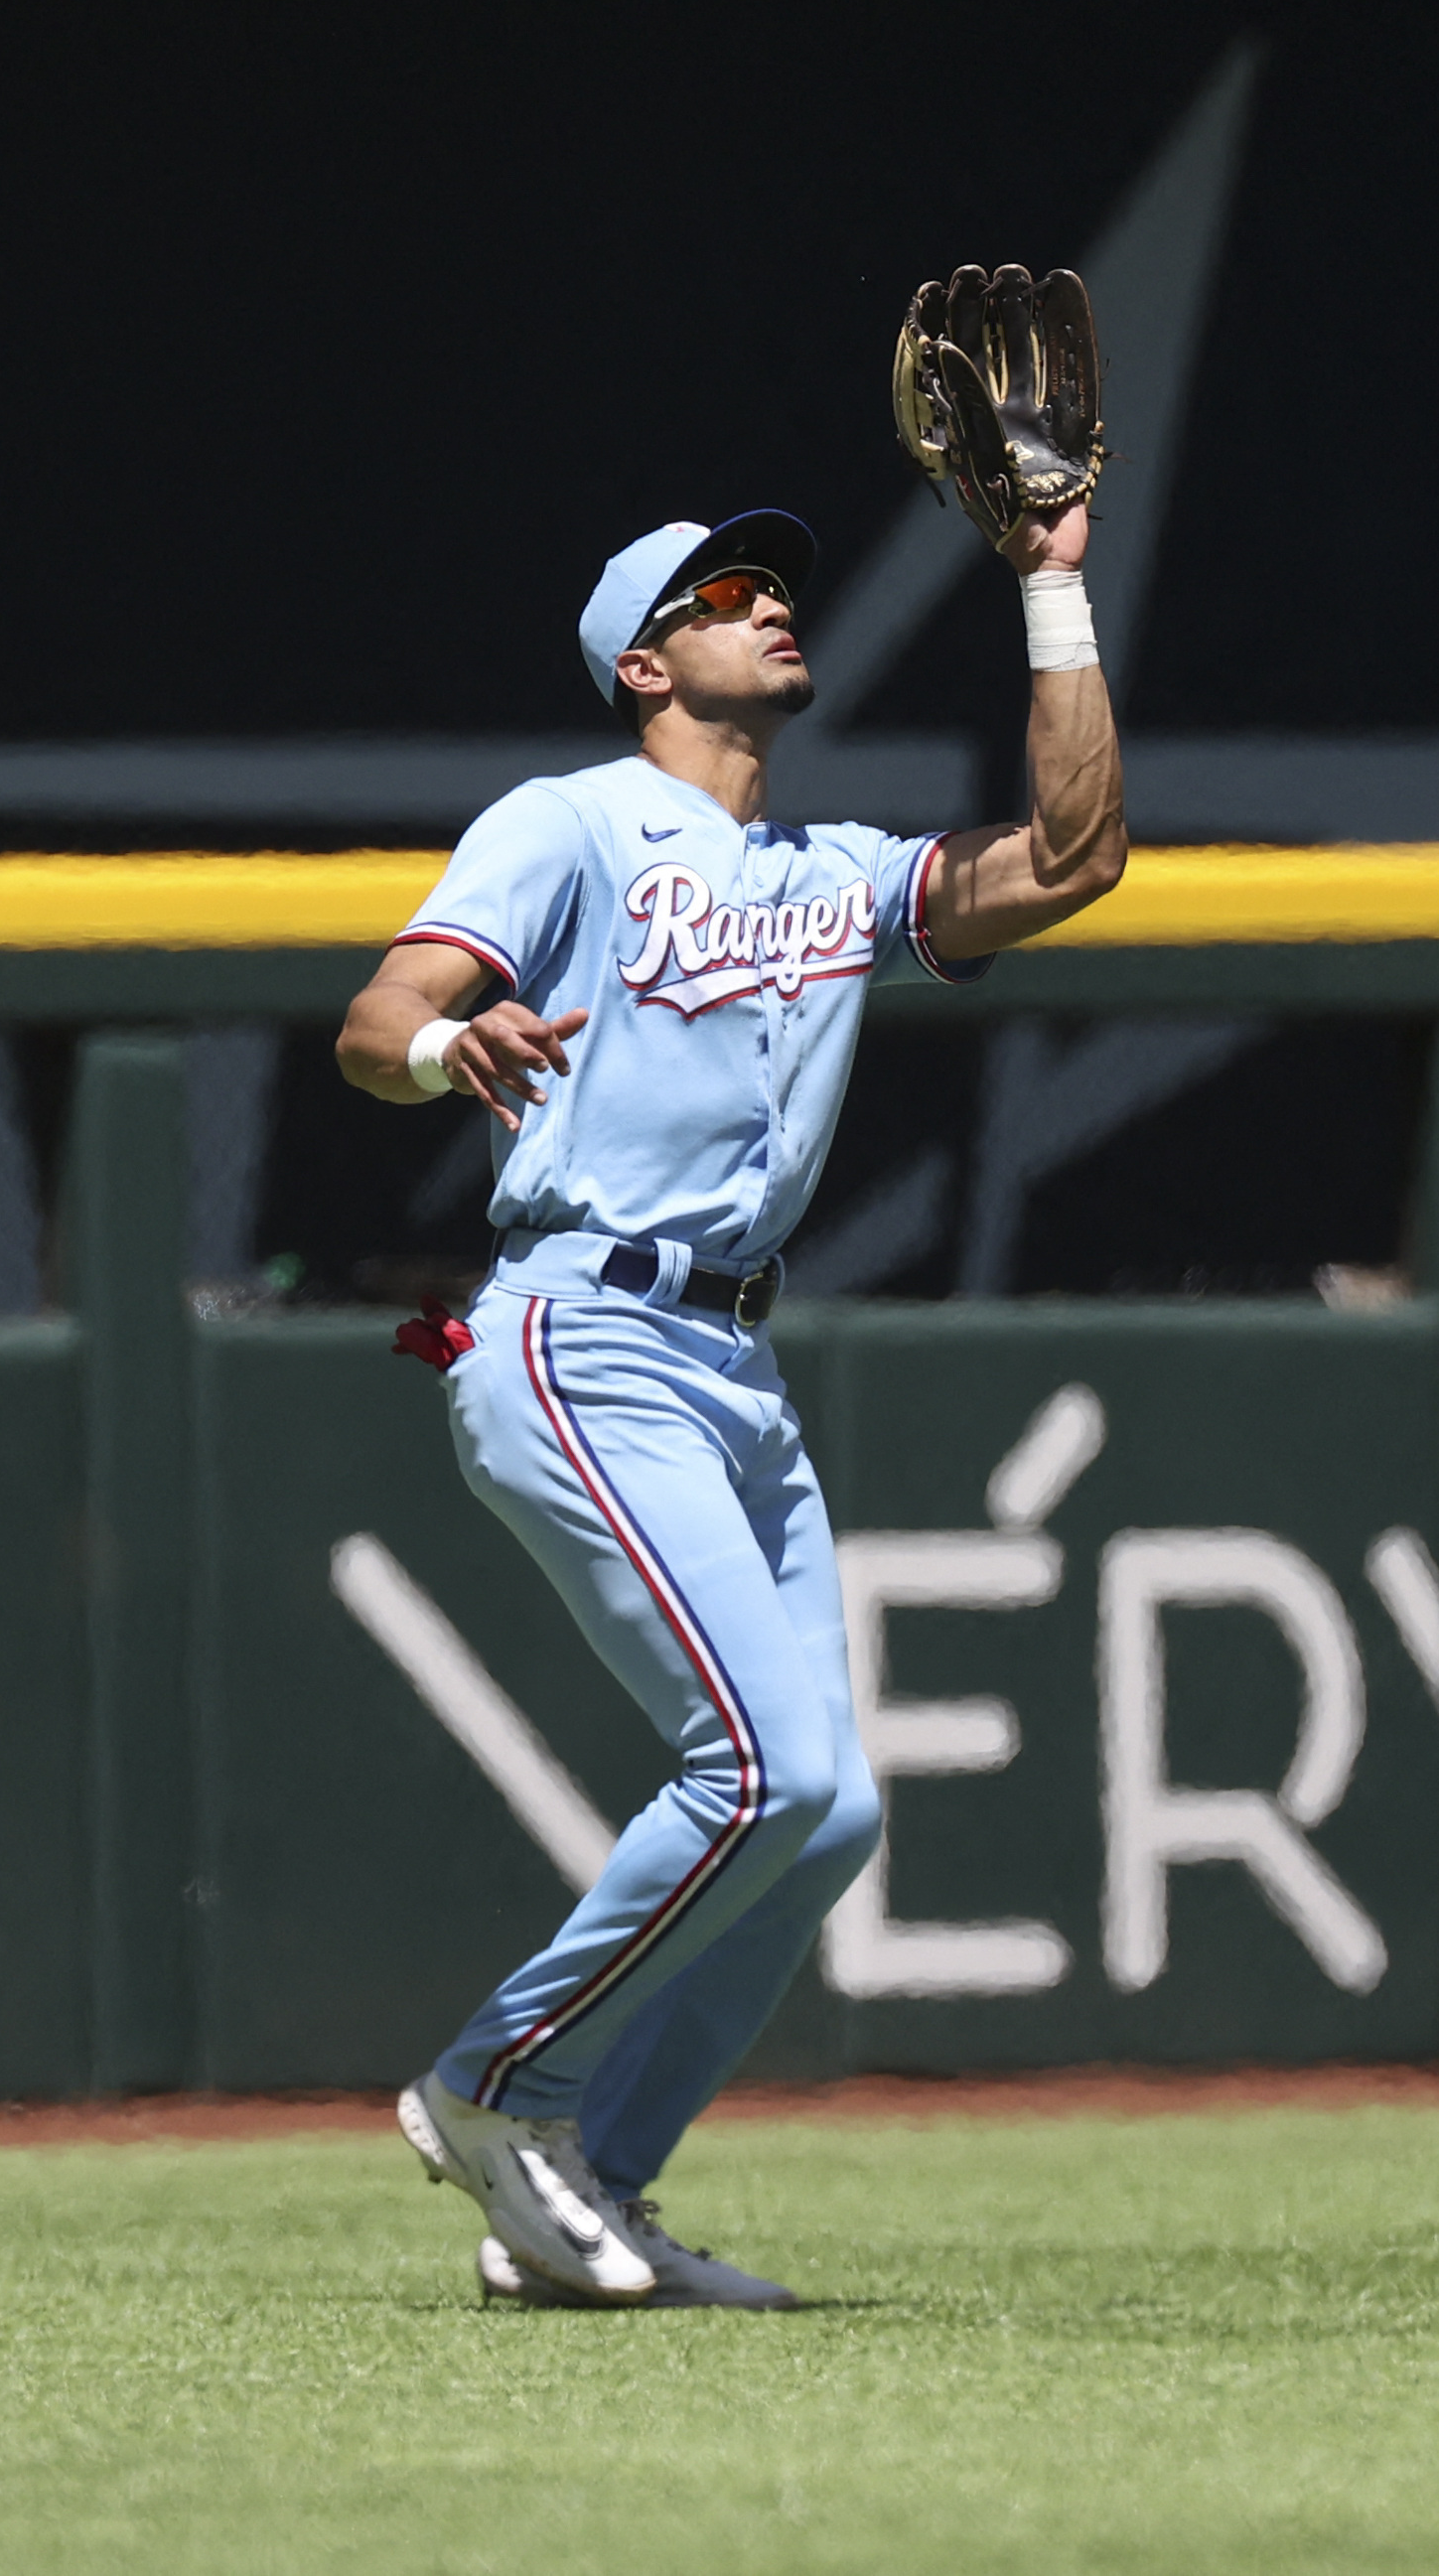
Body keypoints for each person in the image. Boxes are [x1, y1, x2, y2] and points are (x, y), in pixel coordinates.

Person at [336, 489, 1124, 2306]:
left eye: (778, 583)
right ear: (642, 659)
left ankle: (586, 2189)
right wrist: (459, 1040)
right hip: (577, 1323)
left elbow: (1074, 858)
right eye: (724, 592)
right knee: (761, 1762)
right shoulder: (573, 824)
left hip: (731, 1362)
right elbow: (377, 1021)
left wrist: (1054, 596)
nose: (773, 604)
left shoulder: (828, 872)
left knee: (829, 1807)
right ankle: (494, 2082)